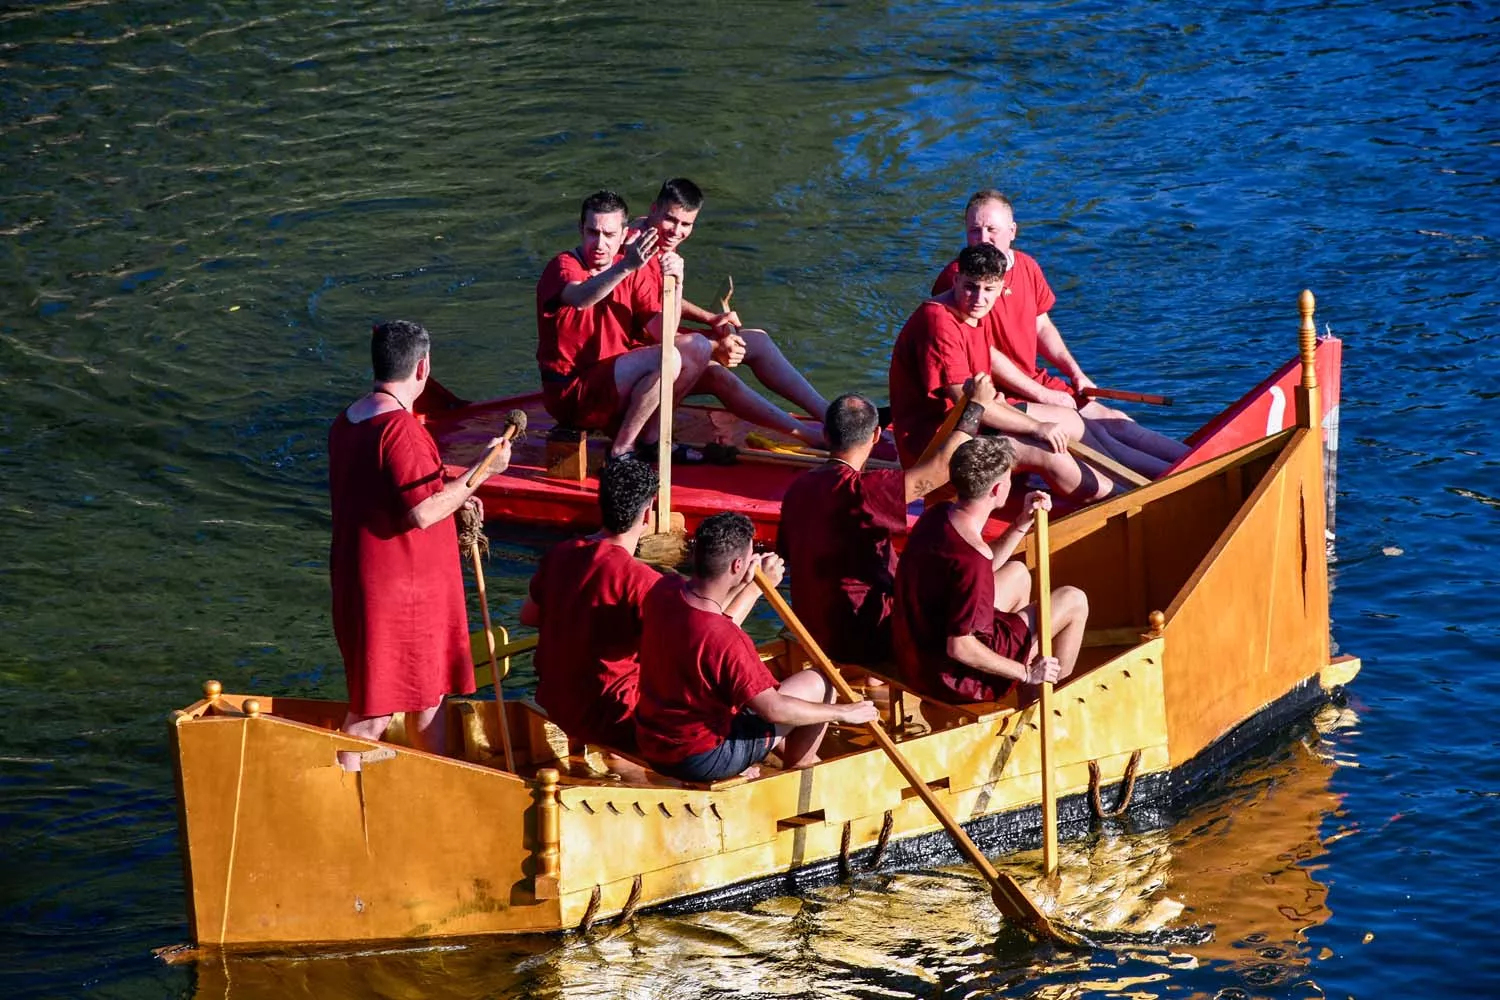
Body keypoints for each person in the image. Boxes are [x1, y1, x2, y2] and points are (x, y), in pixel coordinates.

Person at [328, 320, 512, 767]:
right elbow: (423, 511)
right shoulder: (400, 431)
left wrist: (460, 493)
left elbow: (395, 491)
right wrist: (483, 472)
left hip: (370, 579)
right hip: (400, 593)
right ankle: (332, 802)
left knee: (430, 696)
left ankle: (433, 794)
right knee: (374, 710)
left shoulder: (350, 418)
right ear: (423, 366)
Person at [933, 190, 1188, 477]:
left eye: (992, 230)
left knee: (1117, 421)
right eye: (974, 231)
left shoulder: (1027, 266)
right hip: (998, 391)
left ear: (1012, 231)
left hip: (1030, 377)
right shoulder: (963, 280)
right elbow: (981, 352)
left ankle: (1199, 459)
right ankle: (1170, 479)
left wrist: (1075, 372)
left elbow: (1040, 325)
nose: (983, 238)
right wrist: (1043, 395)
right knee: (1092, 433)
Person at [634, 512, 878, 783]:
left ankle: (765, 760)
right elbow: (773, 709)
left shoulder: (664, 591)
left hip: (653, 741)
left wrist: (755, 587)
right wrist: (845, 713)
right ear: (738, 565)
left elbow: (713, 628)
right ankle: (798, 775)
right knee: (823, 681)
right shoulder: (726, 639)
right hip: (702, 757)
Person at [775, 373, 998, 666]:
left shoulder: (797, 489)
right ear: (876, 437)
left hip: (810, 628)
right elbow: (941, 470)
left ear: (826, 435)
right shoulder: (864, 491)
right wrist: (977, 406)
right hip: (865, 635)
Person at [889, 243, 1115, 502]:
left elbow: (981, 399)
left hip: (971, 422)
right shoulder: (939, 321)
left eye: (988, 290)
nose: (978, 298)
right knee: (1046, 451)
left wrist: (1038, 422)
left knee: (1070, 420)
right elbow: (967, 404)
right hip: (935, 445)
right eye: (970, 287)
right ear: (956, 280)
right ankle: (1118, 502)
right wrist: (1036, 427)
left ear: (1001, 288)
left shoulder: (976, 312)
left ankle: (1122, 481)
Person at [631, 178, 829, 447]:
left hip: (655, 338)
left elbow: (657, 298)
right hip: (633, 357)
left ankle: (831, 418)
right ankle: (816, 440)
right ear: (654, 209)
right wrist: (715, 346)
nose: (676, 231)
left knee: (756, 340)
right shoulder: (636, 250)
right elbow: (655, 332)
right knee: (717, 374)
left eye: (686, 224)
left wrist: (711, 319)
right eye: (670, 220)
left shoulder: (654, 231)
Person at [893, 436, 1089, 705]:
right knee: (1074, 599)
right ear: (997, 490)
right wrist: (1027, 672)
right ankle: (1050, 695)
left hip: (918, 649)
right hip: (953, 677)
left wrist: (1021, 523)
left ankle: (1027, 691)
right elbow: (960, 646)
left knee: (1018, 573)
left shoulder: (938, 515)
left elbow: (979, 570)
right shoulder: (973, 555)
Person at [536, 189, 717, 461]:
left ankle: (652, 439)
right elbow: (582, 297)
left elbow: (664, 333)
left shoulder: (630, 266)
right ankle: (621, 451)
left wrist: (678, 284)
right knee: (668, 358)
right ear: (581, 230)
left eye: (609, 235)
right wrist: (625, 267)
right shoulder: (564, 266)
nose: (599, 244)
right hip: (572, 395)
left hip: (615, 384)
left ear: (623, 235)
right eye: (592, 233)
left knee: (698, 347)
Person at [519, 458, 661, 750]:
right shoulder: (643, 581)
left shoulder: (560, 554)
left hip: (556, 701)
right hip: (613, 717)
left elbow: (528, 616)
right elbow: (690, 652)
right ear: (647, 514)